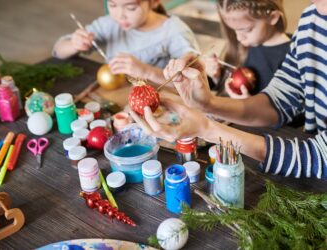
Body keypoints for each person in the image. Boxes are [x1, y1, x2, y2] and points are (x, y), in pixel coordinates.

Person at [130, 1, 327, 179]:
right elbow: (280, 100)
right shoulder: (312, 17)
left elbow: (320, 158)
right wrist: (208, 103)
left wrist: (207, 129)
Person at [52, 0, 199, 85]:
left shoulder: (173, 31)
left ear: (153, 1)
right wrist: (74, 44)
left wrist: (146, 71)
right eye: (112, 5)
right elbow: (58, 51)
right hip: (120, 98)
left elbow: (193, 80)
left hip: (162, 104)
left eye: (130, 8)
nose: (119, 15)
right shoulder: (109, 24)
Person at [204, 0, 290, 98]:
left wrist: (249, 106)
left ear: (272, 17)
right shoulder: (248, 43)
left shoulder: (290, 59)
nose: (238, 37)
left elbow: (288, 110)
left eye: (247, 30)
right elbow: (229, 88)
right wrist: (217, 77)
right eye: (234, 30)